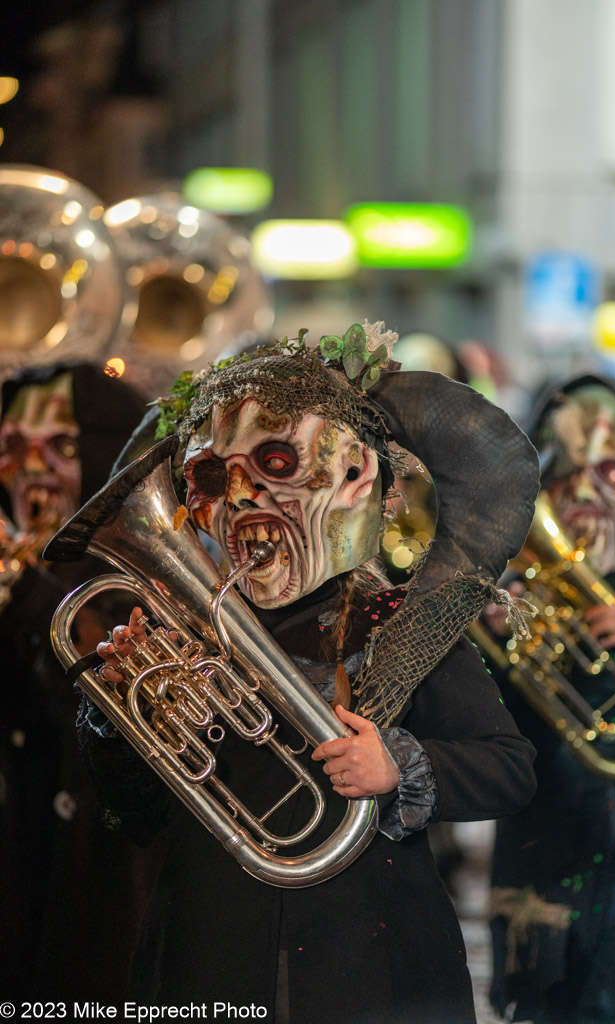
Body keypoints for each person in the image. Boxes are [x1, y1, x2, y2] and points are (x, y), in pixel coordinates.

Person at [74, 321, 540, 1023]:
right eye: (207, 476)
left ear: (356, 479)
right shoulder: (185, 629)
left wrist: (398, 765)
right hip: (208, 953)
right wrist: (116, 715)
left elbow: (510, 767)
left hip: (367, 961)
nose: (238, 499)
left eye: (278, 466)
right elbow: (134, 817)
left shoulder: (396, 621)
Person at [487, 375, 615, 1024]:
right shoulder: (526, 586)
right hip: (546, 856)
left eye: (611, 471)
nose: (581, 494)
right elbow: (489, 741)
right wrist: (491, 637)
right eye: (560, 472)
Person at [0, 361, 150, 1001]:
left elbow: (105, 697)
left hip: (96, 874)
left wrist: (23, 592)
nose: (33, 470)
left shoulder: (138, 565)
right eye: (12, 448)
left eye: (60, 448)